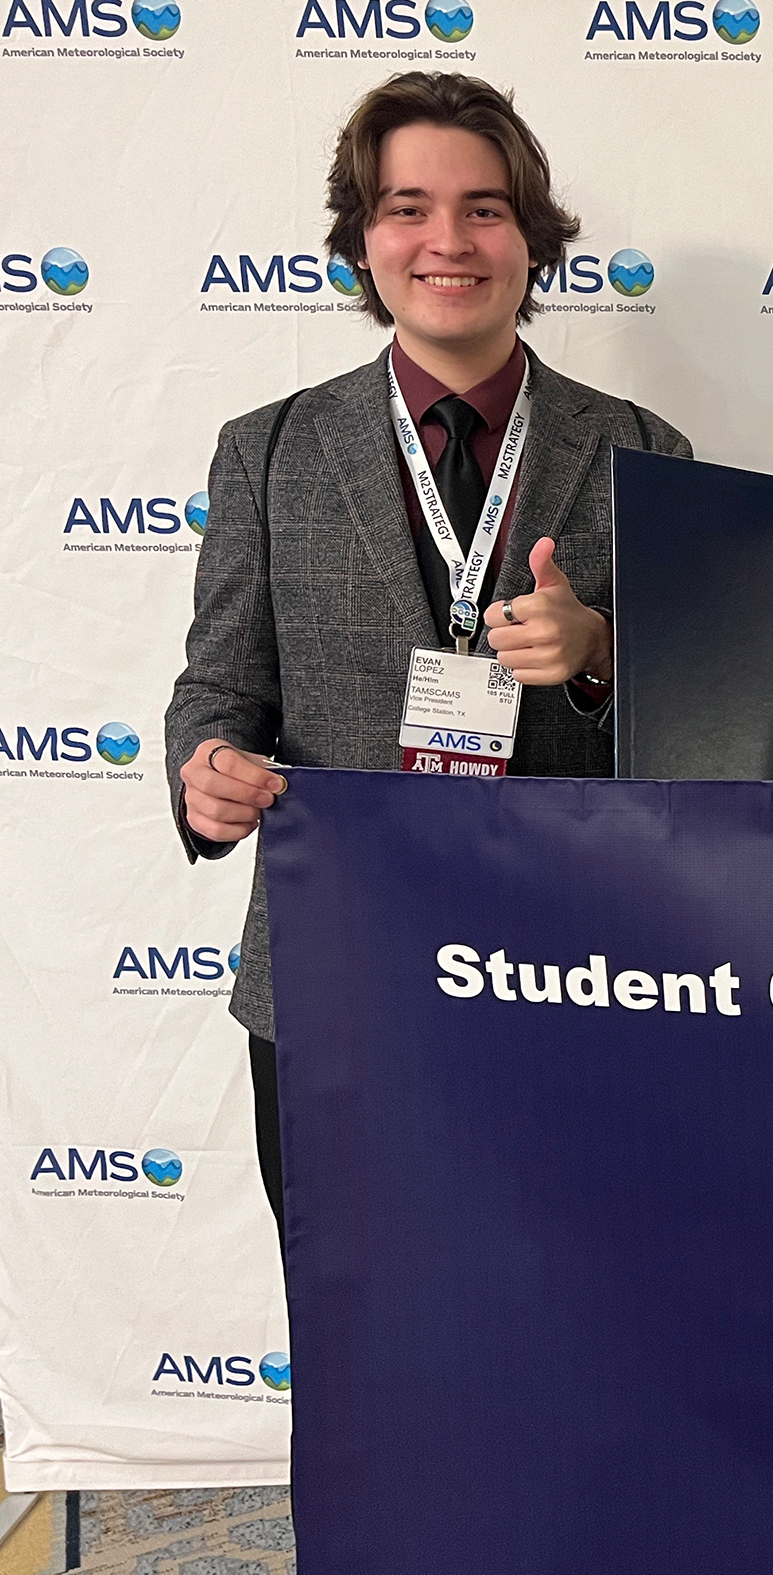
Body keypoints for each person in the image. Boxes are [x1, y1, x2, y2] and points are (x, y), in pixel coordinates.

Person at [164, 72, 692, 1237]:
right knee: (356, 1321)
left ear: (531, 240)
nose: (446, 240)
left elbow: (704, 729)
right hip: (332, 971)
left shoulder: (644, 449)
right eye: (407, 207)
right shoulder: (269, 450)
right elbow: (220, 684)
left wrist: (599, 649)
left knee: (567, 1308)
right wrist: (206, 766)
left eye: (485, 208)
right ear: (361, 241)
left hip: (575, 972)